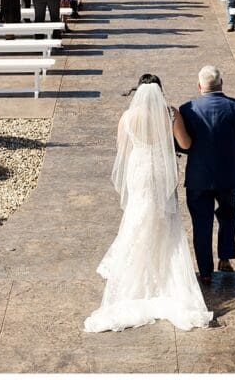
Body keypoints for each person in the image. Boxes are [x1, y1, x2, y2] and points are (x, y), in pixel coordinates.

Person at [84, 74, 211, 333]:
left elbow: (123, 148)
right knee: (165, 219)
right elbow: (185, 143)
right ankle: (164, 273)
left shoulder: (127, 117)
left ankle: (133, 270)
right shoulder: (170, 113)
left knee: (138, 215)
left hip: (140, 169)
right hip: (162, 173)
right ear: (160, 92)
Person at [177, 65, 235, 285]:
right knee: (229, 215)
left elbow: (183, 145)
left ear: (199, 85)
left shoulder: (187, 109)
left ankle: (205, 271)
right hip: (229, 176)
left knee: (201, 224)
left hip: (198, 178)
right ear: (221, 83)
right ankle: (225, 257)